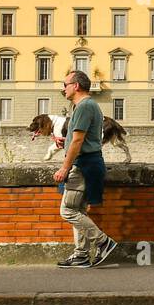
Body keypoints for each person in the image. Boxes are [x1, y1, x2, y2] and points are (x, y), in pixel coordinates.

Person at [53, 70, 118, 268]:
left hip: (83, 165)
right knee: (78, 209)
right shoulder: (88, 106)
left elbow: (80, 140)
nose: (63, 88)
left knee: (68, 211)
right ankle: (81, 254)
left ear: (76, 86)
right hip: (90, 162)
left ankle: (103, 241)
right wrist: (66, 142)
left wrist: (65, 168)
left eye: (65, 84)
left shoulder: (84, 106)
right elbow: (80, 138)